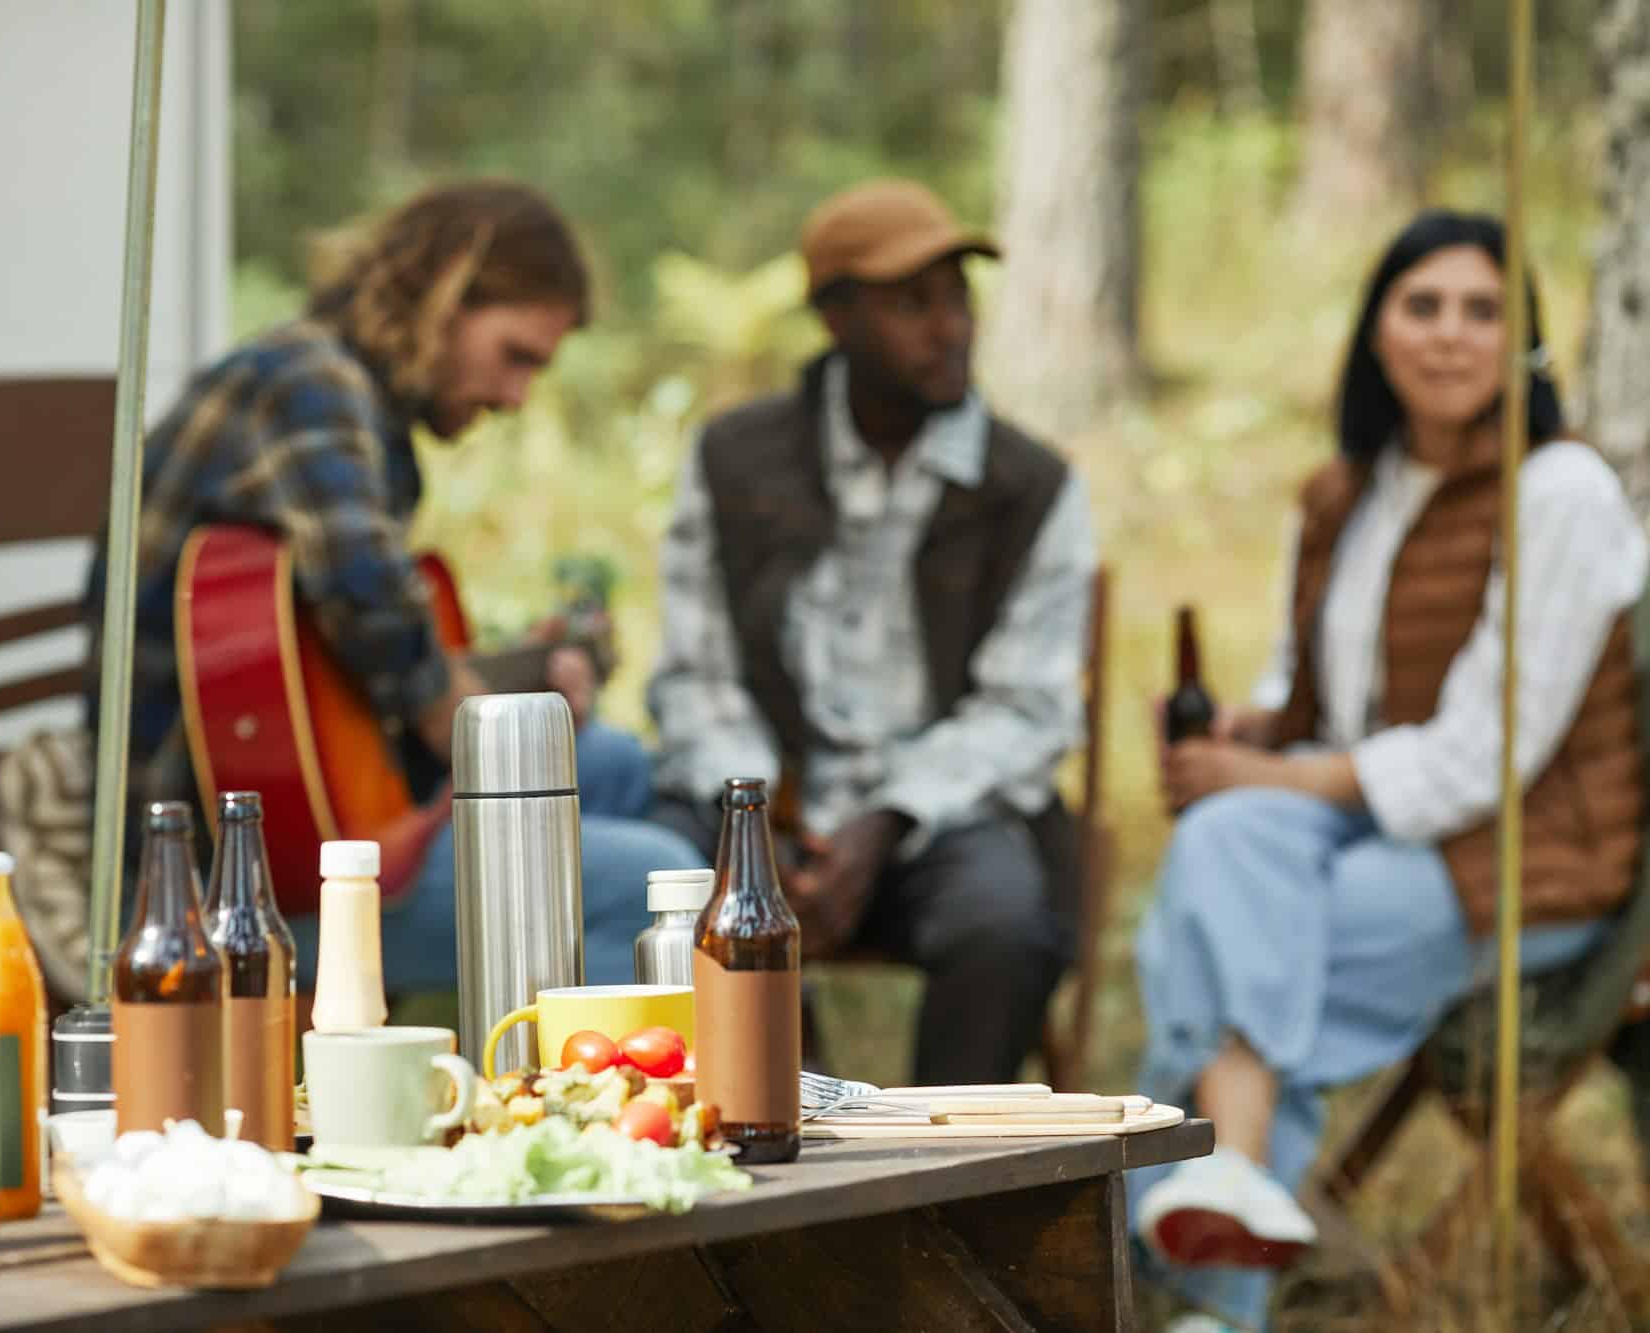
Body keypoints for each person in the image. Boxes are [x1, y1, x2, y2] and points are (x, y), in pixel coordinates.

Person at [1128, 209, 1647, 1332]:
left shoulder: (1556, 493)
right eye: (1421, 306)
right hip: (1359, 821)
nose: (1450, 335)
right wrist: (1247, 732)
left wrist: (1259, 778)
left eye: (1481, 310)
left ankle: (1204, 1293)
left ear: (1523, 342)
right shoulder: (1341, 492)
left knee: (1207, 954)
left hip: (1520, 859)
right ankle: (1224, 1218)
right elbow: (1308, 701)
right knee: (1216, 846)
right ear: (1375, 330)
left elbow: (1479, 759)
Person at [82, 180, 699, 992]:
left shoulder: (334, 392)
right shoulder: (308, 384)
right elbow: (370, 604)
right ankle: (570, 1100)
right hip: (229, 874)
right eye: (515, 356)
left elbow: (344, 657)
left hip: (295, 818)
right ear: (444, 295)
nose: (515, 398)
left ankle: (534, 1034)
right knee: (658, 882)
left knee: (610, 761)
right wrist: (483, 721)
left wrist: (510, 677)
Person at [647, 179, 1097, 1086]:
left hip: (940, 816)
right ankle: (751, 1145)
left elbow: (1028, 707)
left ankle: (938, 1197)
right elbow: (696, 674)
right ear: (836, 319)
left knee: (1006, 924)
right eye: (911, 304)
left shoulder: (1029, 485)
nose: (949, 329)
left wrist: (884, 823)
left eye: (956, 299)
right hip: (758, 807)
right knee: (651, 880)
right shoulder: (734, 459)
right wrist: (757, 821)